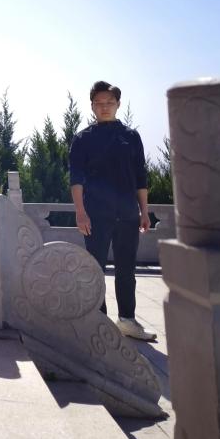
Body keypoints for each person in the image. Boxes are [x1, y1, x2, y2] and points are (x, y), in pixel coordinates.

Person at [68, 80, 156, 341]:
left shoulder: (131, 137)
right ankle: (99, 321)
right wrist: (80, 212)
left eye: (109, 102)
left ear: (118, 104)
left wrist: (144, 211)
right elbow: (76, 179)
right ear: (92, 106)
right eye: (99, 103)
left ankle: (127, 320)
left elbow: (140, 177)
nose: (104, 107)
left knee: (126, 269)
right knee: (95, 269)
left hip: (127, 213)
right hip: (96, 215)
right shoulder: (83, 139)